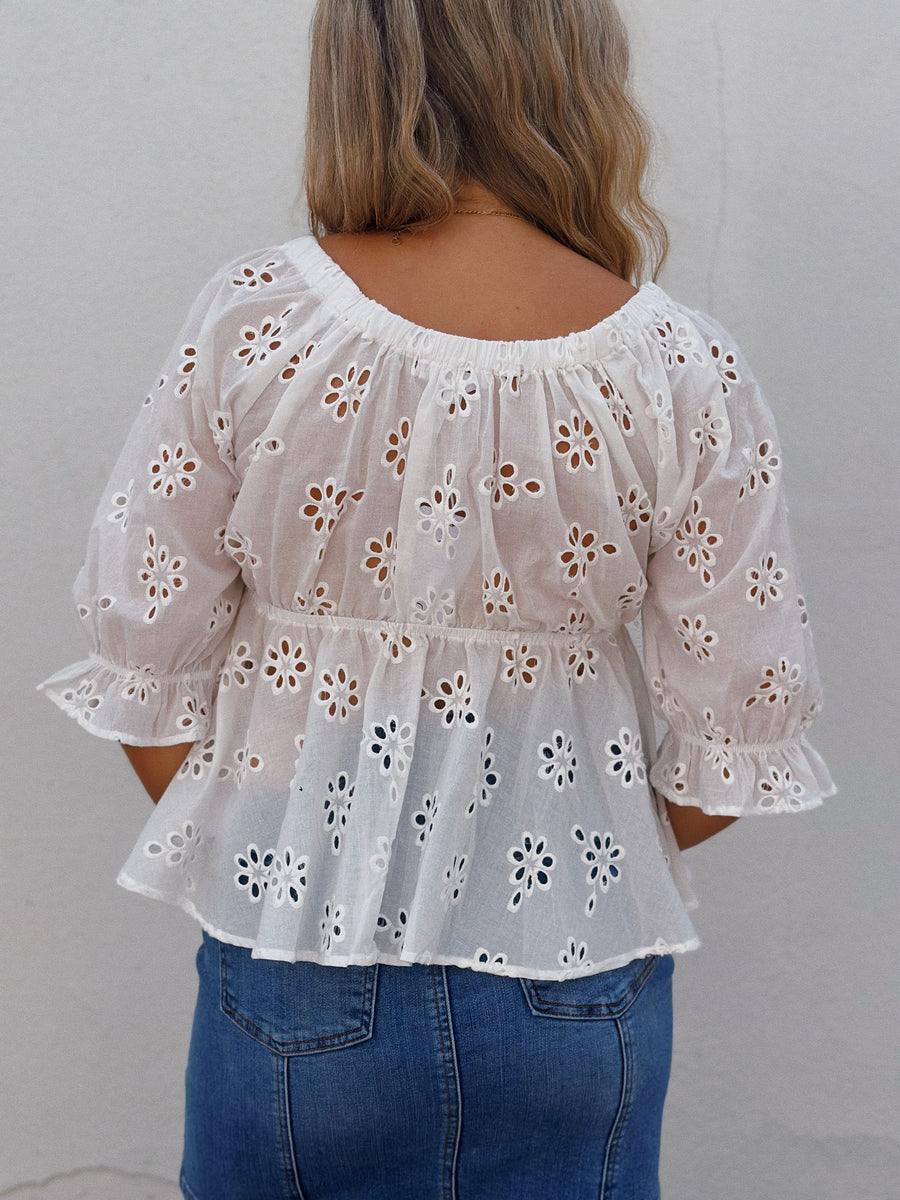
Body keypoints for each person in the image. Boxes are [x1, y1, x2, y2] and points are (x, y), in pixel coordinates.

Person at [39, 1, 835, 1197]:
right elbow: (742, 730)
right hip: (575, 970)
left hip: (302, 952)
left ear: (358, 73)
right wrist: (565, 858)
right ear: (580, 72)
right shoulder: (680, 365)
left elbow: (141, 664)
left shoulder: (258, 321)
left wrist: (280, 850)